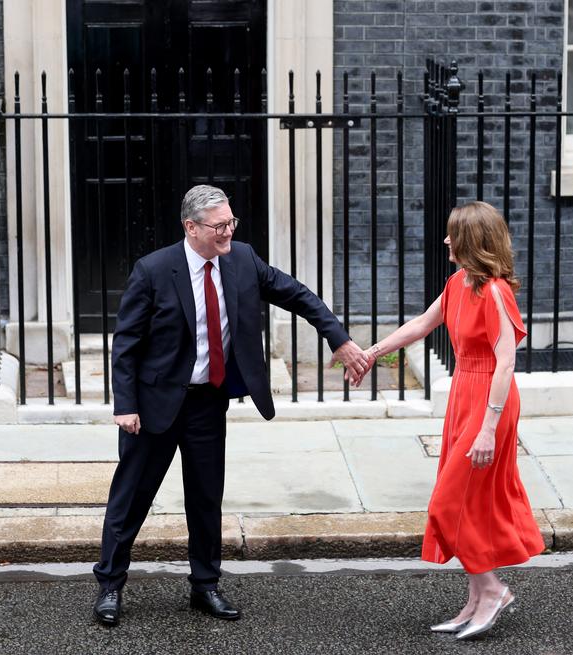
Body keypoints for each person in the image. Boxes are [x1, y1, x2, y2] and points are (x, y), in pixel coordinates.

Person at [92, 184, 369, 626]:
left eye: (231, 222)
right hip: (155, 404)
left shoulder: (242, 259)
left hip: (207, 402)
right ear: (191, 227)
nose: (228, 232)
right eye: (219, 226)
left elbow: (297, 294)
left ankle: (205, 585)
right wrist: (125, 404)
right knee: (132, 498)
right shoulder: (154, 270)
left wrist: (337, 338)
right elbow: (126, 343)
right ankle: (110, 584)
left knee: (206, 498)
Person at [359, 201, 544, 640]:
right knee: (468, 505)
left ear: (472, 241)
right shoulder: (459, 282)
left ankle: (493, 590)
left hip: (489, 401)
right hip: (464, 393)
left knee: (447, 504)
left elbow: (505, 363)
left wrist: (488, 429)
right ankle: (476, 600)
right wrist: (371, 353)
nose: (445, 240)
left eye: (453, 234)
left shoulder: (495, 292)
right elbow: (422, 325)